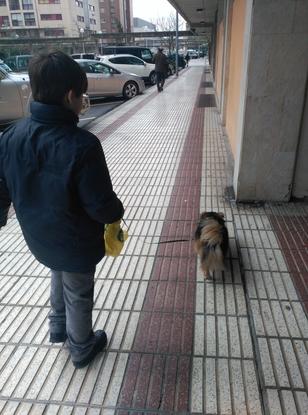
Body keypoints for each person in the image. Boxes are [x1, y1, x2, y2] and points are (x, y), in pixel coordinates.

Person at [0, 51, 124, 369]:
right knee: (78, 289)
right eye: (81, 94)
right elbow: (100, 205)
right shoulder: (82, 145)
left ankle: (58, 325)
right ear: (71, 96)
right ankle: (81, 345)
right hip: (75, 241)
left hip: (38, 236)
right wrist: (115, 214)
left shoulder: (10, 135)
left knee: (59, 269)